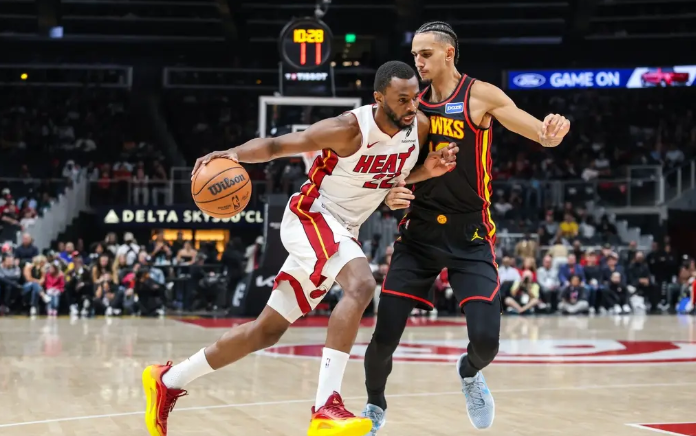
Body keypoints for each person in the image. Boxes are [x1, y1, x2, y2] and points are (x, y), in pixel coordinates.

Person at [141, 60, 458, 436]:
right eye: (402, 99)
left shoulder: (418, 127)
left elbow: (389, 179)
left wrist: (424, 173)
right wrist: (231, 154)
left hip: (344, 230)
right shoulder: (347, 129)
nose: (411, 106)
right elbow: (277, 145)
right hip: (312, 215)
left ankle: (168, 380)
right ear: (378, 98)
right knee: (361, 285)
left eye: (415, 97)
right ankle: (326, 407)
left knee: (265, 331)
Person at [361, 21, 570, 434]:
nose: (418, 62)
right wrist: (390, 193)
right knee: (384, 336)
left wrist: (549, 134)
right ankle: (374, 406)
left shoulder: (480, 95)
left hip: (470, 232)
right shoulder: (412, 105)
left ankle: (469, 371)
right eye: (415, 55)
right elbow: (392, 170)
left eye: (425, 54)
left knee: (487, 341)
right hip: (419, 232)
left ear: (448, 53)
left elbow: (534, 131)